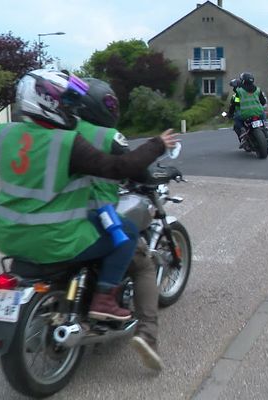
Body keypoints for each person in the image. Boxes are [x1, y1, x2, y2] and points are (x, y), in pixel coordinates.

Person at [0, 69, 177, 322]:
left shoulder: (4, 134)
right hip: (54, 240)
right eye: (67, 101)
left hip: (8, 235)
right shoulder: (66, 143)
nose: (72, 109)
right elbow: (119, 168)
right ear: (47, 101)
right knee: (127, 234)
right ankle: (104, 300)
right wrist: (157, 144)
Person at [77, 77, 163, 370]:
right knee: (143, 262)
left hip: (63, 218)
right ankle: (147, 333)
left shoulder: (62, 132)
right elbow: (134, 169)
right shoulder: (110, 136)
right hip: (99, 217)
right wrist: (156, 175)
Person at [229, 72, 268, 153]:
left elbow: (234, 104)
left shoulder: (239, 91)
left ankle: (242, 130)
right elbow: (263, 102)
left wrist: (230, 114)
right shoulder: (258, 89)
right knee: (263, 127)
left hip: (245, 114)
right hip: (259, 113)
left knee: (236, 118)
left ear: (243, 81)